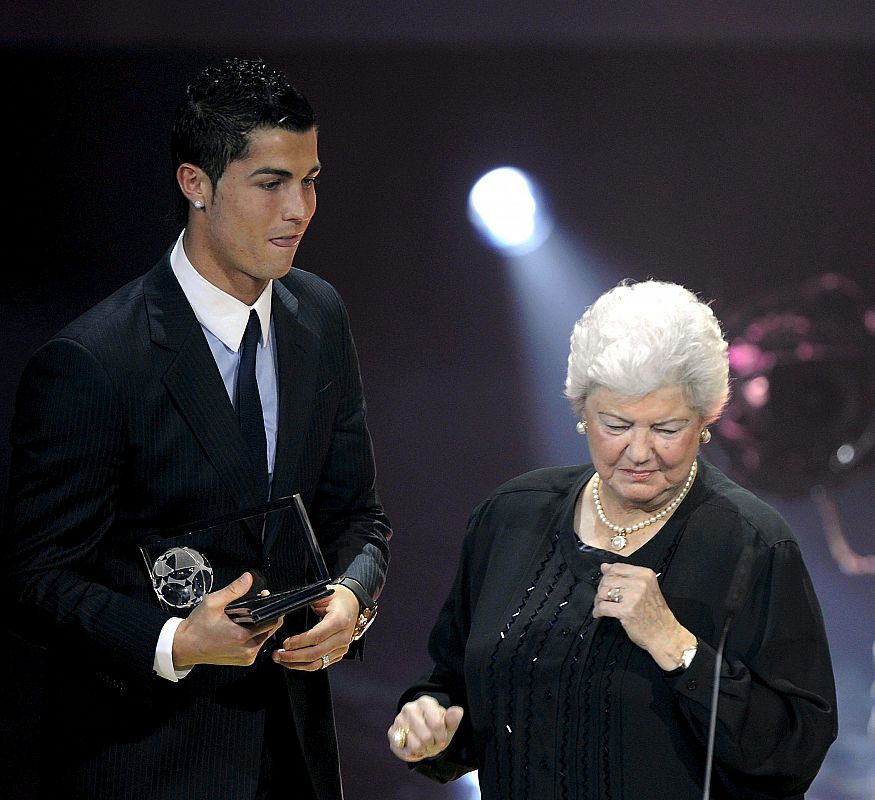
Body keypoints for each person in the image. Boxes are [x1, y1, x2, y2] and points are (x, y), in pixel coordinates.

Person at [3, 57, 390, 800]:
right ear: (196, 185)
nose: (299, 209)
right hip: (147, 762)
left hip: (298, 761)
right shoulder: (93, 360)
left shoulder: (321, 318)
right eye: (271, 183)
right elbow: (34, 577)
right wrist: (174, 641)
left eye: (309, 181)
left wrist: (351, 600)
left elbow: (359, 517)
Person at [388, 280, 836, 799]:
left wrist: (678, 648)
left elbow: (796, 749)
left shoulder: (753, 544)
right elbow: (454, 685)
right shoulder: (509, 517)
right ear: (581, 412)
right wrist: (428, 728)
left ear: (706, 420)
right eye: (616, 424)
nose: (639, 451)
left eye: (666, 428)